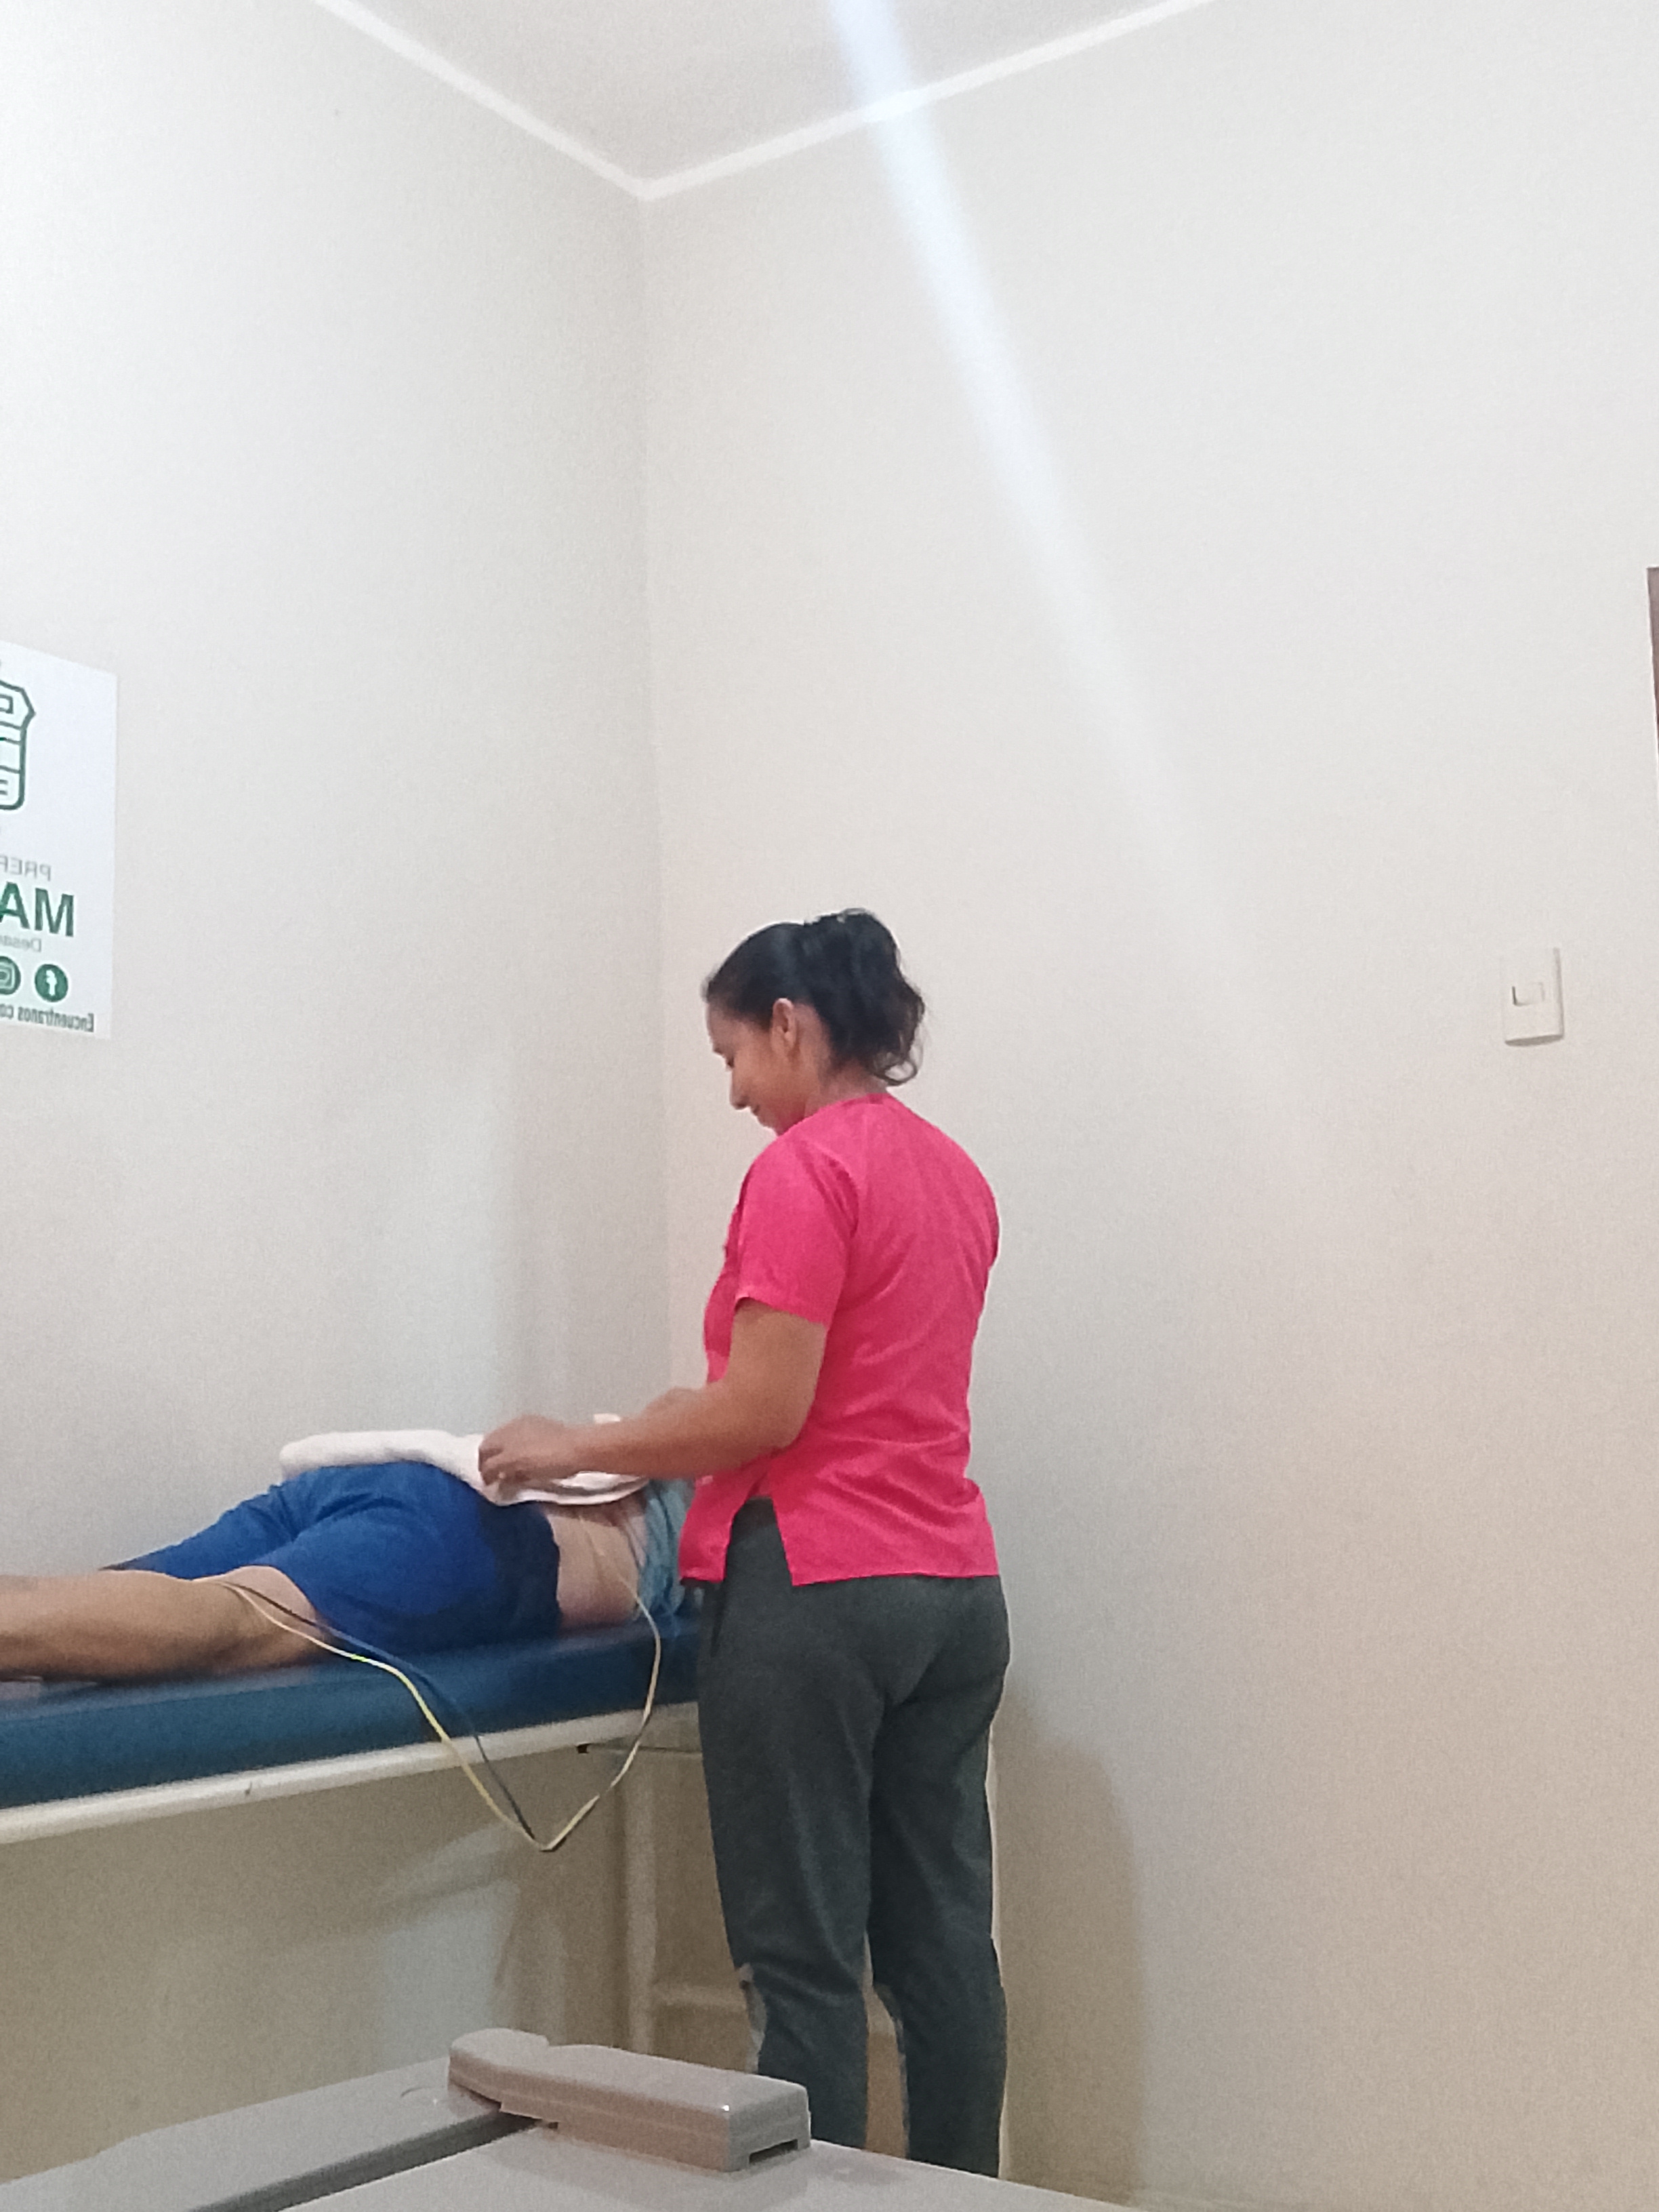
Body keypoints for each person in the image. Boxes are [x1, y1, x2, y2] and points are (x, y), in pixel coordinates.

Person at [478, 909, 1008, 2174]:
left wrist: (568, 1446)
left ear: (788, 1024)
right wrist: (680, 1415)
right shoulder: (954, 1174)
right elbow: (844, 1382)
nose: (731, 1093)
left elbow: (766, 1412)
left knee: (801, 1956)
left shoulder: (803, 1169)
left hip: (818, 1592)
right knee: (941, 1943)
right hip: (952, 1589)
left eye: (732, 1057)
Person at [0, 1460, 691, 1679]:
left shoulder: (692, 1434)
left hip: (401, 1479)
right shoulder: (743, 1500)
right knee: (232, 1624)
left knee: (123, 1595)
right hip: (460, 1538)